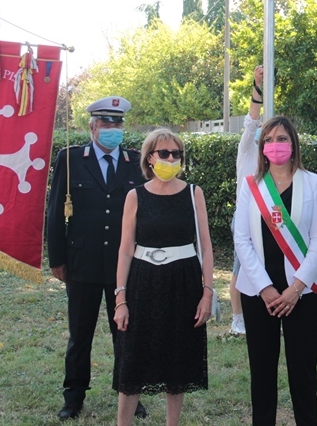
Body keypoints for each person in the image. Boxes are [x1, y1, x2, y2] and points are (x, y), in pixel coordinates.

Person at [46, 96, 147, 421]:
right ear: (92, 128)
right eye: (105, 123)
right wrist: (57, 258)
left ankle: (130, 393)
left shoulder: (135, 161)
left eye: (117, 123)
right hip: (82, 262)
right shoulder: (71, 159)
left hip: (124, 265)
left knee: (125, 333)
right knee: (80, 335)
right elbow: (55, 210)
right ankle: (73, 396)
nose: (112, 129)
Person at [113, 128, 214, 426]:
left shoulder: (194, 193)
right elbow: (125, 250)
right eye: (164, 153)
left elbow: (206, 246)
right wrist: (120, 299)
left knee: (177, 360)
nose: (171, 159)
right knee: (132, 361)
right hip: (143, 283)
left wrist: (207, 292)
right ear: (150, 158)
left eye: (176, 153)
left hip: (183, 284)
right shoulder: (135, 196)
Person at [234, 115, 317, 426]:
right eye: (269, 140)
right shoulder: (251, 186)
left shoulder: (313, 183)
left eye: (282, 139)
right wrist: (265, 288)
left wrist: (296, 288)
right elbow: (241, 239)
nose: (276, 145)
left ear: (294, 144)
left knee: (303, 373)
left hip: (300, 293)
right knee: (262, 373)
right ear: (262, 147)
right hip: (257, 293)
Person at [230, 64, 265, 335]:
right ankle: (237, 318)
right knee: (240, 267)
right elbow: (252, 119)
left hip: (268, 218)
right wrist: (258, 86)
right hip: (245, 218)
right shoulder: (247, 148)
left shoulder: (274, 159)